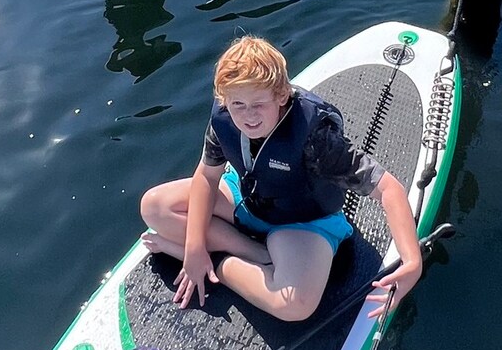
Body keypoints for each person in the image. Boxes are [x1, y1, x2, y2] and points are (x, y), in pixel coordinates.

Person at [140, 35, 422, 323]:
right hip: (246, 200)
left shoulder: (317, 140)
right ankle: (254, 252)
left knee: (295, 305)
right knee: (154, 207)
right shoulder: (225, 118)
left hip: (300, 223)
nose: (248, 117)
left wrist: (412, 261)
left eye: (259, 104)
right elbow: (206, 177)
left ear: (281, 96)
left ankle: (219, 265)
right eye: (238, 104)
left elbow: (389, 189)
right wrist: (194, 248)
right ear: (224, 100)